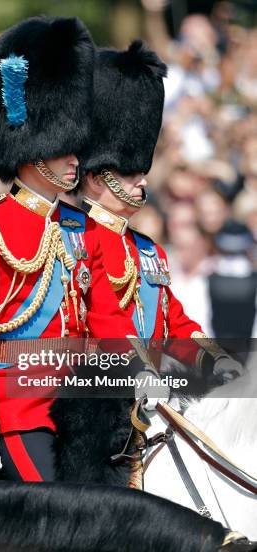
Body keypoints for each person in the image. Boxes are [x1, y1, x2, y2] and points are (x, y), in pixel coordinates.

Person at [0, 17, 155, 483]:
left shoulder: (83, 226)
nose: (77, 157)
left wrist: (137, 373)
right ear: (35, 149)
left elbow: (108, 318)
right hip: (17, 412)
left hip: (82, 411)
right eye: (65, 148)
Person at [75, 40, 242, 384]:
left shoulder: (147, 250)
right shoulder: (71, 239)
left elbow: (174, 324)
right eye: (130, 173)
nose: (142, 180)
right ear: (94, 178)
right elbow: (99, 323)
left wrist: (214, 360)